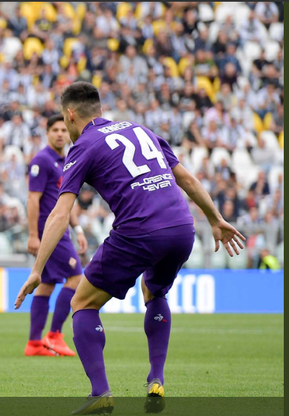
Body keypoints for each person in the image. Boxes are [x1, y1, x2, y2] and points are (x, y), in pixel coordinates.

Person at [15, 82, 245, 415]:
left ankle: (100, 393)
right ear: (101, 109)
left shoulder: (84, 146)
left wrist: (37, 268)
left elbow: (60, 212)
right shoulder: (141, 129)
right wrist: (216, 219)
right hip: (182, 227)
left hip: (139, 231)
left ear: (69, 115)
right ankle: (156, 378)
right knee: (154, 291)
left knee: (82, 301)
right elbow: (189, 180)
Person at [25, 114, 87, 357]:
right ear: (47, 133)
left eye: (63, 129)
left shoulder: (66, 161)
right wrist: (33, 235)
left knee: (47, 284)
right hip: (49, 230)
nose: (60, 134)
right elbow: (33, 199)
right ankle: (54, 335)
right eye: (55, 130)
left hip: (63, 228)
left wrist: (78, 229)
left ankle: (34, 343)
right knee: (75, 277)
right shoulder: (41, 160)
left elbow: (66, 200)